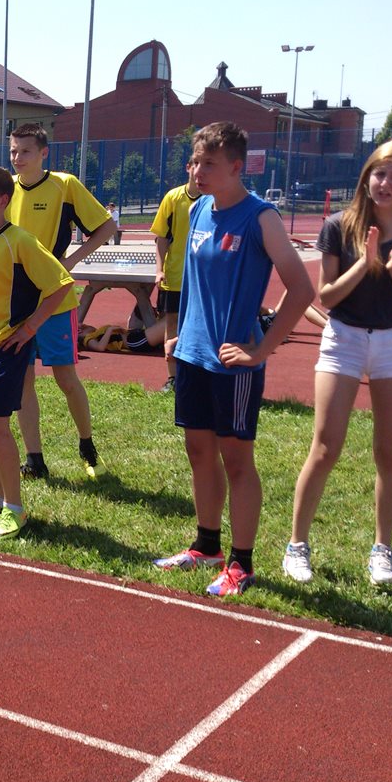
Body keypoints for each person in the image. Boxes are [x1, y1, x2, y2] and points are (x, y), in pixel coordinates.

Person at [152, 122, 314, 597]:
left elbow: (301, 289)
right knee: (198, 451)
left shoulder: (261, 217)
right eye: (194, 162)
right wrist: (179, 334)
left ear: (237, 167)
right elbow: (192, 282)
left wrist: (261, 349)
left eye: (209, 164)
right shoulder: (198, 208)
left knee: (236, 460)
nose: (197, 172)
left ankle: (242, 563)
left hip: (233, 364)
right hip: (193, 354)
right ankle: (207, 546)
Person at [282, 140, 392, 586]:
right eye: (379, 173)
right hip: (344, 340)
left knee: (388, 452)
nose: (385, 183)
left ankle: (382, 550)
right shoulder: (338, 225)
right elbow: (327, 296)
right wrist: (365, 263)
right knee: (326, 446)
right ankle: (297, 546)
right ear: (367, 176)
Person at [0, 166, 76, 540]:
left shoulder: (20, 241)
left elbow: (61, 284)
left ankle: (15, 509)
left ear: (3, 201)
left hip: (8, 347)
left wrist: (30, 328)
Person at [6, 123, 117, 480]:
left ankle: (87, 446)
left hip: (56, 300)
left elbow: (106, 227)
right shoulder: (4, 189)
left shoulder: (64, 185)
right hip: (17, 303)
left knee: (65, 378)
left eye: (25, 151)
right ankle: (34, 460)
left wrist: (70, 262)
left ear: (44, 153)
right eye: (13, 151)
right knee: (23, 381)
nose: (17, 157)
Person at [149, 165, 201, 392]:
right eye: (196, 165)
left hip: (202, 278)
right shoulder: (173, 197)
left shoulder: (212, 199)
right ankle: (173, 377)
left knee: (200, 324)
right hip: (175, 275)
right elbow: (161, 237)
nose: (200, 171)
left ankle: (197, 375)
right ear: (188, 168)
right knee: (172, 323)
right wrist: (159, 270)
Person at [79, 311, 168, 354]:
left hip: (135, 336)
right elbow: (100, 347)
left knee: (170, 319)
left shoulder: (95, 333)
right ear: (79, 331)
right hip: (135, 341)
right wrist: (109, 330)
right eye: (85, 325)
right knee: (169, 322)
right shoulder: (88, 338)